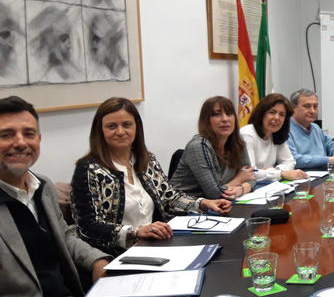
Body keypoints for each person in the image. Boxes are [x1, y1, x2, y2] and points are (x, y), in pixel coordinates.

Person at [0, 96, 110, 297]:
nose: (20, 142)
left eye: (29, 134)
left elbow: (67, 235)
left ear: (39, 139)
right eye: (6, 135)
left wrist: (97, 260)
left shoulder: (43, 186)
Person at [70, 98, 232, 256]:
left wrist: (204, 203)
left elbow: (170, 198)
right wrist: (136, 231)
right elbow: (88, 226)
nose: (120, 132)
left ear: (137, 128)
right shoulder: (89, 169)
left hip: (157, 245)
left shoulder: (147, 160)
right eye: (112, 126)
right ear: (100, 131)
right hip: (117, 254)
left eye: (127, 125)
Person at [171, 96, 256, 199]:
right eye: (217, 114)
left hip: (217, 205)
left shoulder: (237, 142)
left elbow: (250, 177)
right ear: (206, 121)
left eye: (229, 114)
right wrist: (238, 180)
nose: (225, 119)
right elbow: (214, 194)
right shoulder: (198, 146)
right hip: (185, 208)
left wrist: (240, 189)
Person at [240, 93, 307, 182]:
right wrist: (281, 174)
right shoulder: (247, 134)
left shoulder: (275, 134)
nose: (276, 118)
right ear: (262, 114)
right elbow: (250, 173)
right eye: (272, 112)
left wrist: (273, 171)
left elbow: (290, 161)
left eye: (282, 114)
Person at [287, 89, 334, 168]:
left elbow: (331, 145)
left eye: (315, 106)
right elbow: (293, 159)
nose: (312, 111)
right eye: (307, 106)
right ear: (293, 108)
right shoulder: (285, 130)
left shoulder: (315, 128)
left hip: (323, 175)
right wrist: (328, 160)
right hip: (301, 177)